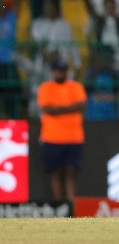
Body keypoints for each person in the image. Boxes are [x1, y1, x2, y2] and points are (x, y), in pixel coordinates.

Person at [37, 59, 87, 203]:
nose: (59, 73)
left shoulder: (75, 86)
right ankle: (58, 206)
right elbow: (47, 109)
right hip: (52, 137)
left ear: (66, 71)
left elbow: (81, 105)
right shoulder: (46, 87)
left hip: (73, 137)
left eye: (62, 70)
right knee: (55, 172)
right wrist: (70, 108)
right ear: (52, 71)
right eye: (57, 70)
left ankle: (71, 205)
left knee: (71, 172)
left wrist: (58, 109)